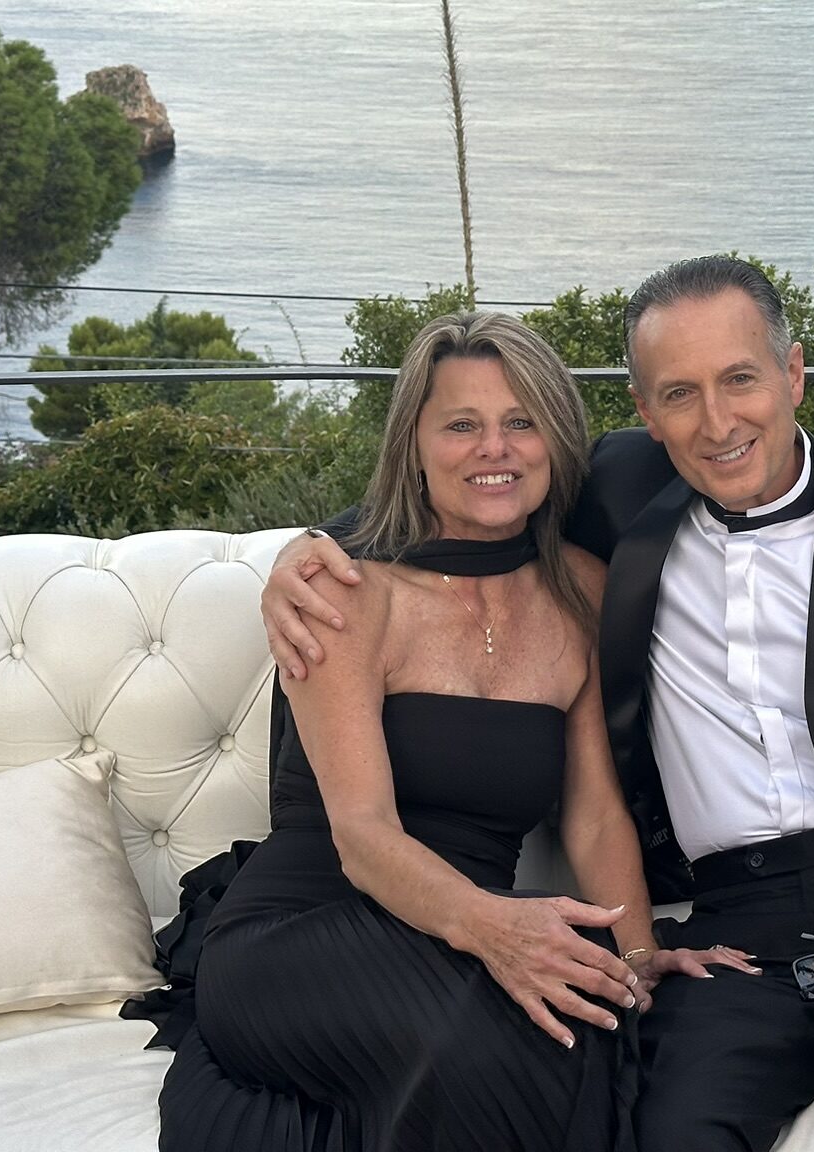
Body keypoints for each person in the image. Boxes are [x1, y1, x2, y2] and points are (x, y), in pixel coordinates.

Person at [264, 258, 814, 1151]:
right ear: (644, 413)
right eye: (680, 394)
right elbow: (466, 485)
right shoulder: (617, 498)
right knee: (659, 1127)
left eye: (741, 379)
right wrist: (314, 552)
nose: (717, 424)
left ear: (793, 373)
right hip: (740, 930)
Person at [127, 311, 748, 1152]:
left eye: (520, 422)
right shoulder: (344, 590)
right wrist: (501, 931)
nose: (495, 448)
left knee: (585, 1021)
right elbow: (364, 837)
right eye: (462, 425)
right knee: (482, 1040)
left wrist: (638, 957)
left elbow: (595, 814)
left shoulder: (583, 590)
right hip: (306, 929)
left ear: (556, 439)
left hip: (465, 931)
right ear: (413, 445)